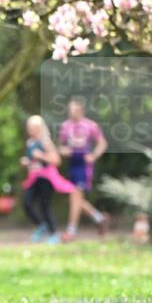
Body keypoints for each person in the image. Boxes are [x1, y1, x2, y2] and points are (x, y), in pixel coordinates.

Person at [21, 115, 78, 244]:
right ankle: (41, 225)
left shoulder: (45, 142)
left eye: (34, 128)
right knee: (26, 202)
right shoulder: (30, 142)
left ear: (40, 127)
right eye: (29, 128)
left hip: (46, 178)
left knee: (44, 206)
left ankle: (53, 234)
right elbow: (30, 159)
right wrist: (26, 161)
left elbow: (56, 160)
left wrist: (41, 155)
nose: (31, 130)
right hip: (33, 178)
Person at [58, 98, 109, 241]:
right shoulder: (65, 126)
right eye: (70, 109)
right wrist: (64, 151)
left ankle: (71, 232)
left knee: (75, 196)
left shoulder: (90, 125)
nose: (71, 112)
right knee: (76, 198)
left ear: (81, 110)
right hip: (72, 165)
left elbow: (102, 143)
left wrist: (93, 156)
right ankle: (99, 218)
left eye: (74, 109)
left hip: (84, 166)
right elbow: (60, 146)